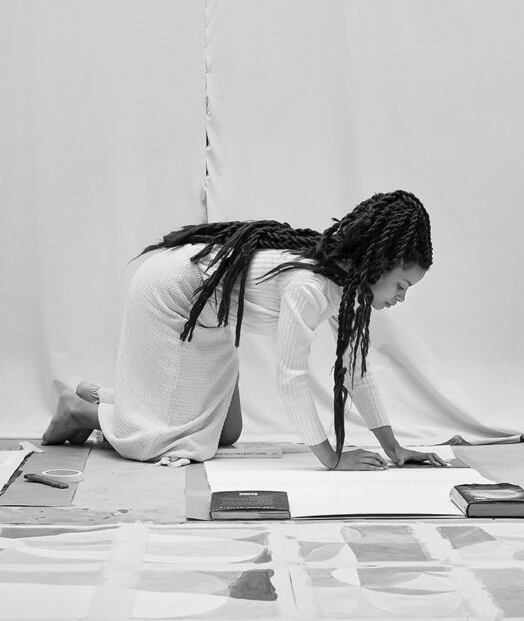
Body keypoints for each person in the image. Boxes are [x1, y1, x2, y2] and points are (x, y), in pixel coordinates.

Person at [42, 189, 445, 470]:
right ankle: (78, 411)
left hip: (209, 314)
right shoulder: (309, 286)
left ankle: (104, 399)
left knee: (225, 433)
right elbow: (291, 376)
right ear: (378, 263)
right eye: (401, 285)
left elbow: (356, 371)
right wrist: (330, 458)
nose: (401, 298)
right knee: (162, 443)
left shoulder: (346, 287)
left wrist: (394, 448)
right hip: (169, 294)